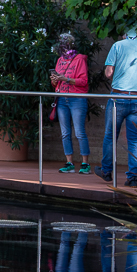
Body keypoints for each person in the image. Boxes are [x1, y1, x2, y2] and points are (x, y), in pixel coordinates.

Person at [99, 26, 137, 187]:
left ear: (126, 34)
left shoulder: (118, 46)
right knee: (134, 139)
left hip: (118, 97)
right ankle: (132, 178)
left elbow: (108, 73)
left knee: (110, 135)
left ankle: (106, 171)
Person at [50, 32, 91, 174]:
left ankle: (85, 163)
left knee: (79, 132)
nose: (63, 45)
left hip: (77, 98)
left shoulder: (79, 59)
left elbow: (83, 81)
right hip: (62, 98)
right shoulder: (60, 60)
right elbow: (56, 84)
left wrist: (66, 79)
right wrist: (54, 80)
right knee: (65, 133)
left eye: (65, 43)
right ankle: (69, 162)